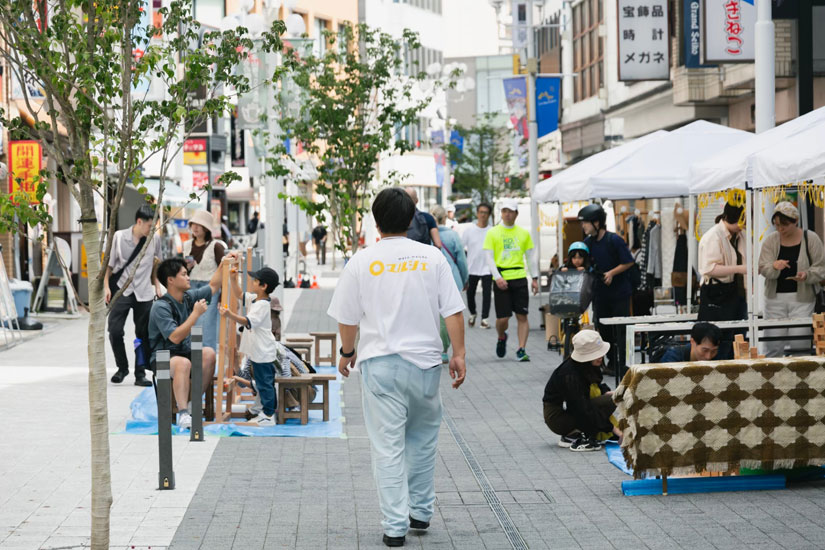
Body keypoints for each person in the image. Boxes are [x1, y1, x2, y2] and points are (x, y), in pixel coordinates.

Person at [328, 187, 466, 548]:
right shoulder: (431, 257)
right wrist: (459, 354)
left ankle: (394, 527)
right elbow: (452, 310)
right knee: (421, 440)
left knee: (387, 447)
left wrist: (347, 351)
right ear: (411, 219)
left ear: (376, 220)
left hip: (380, 364)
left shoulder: (361, 260)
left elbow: (346, 316)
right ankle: (420, 512)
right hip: (424, 364)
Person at [148, 254, 236, 429]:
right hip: (163, 356)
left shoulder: (187, 297)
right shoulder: (161, 307)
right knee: (183, 364)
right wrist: (195, 314)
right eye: (183, 274)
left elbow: (212, 286)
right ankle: (182, 414)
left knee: (209, 354)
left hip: (183, 351)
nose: (188, 277)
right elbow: (174, 337)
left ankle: (192, 403)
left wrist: (223, 264)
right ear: (170, 280)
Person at [758, 201, 825, 357]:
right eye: (776, 225)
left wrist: (807, 274)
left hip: (803, 299)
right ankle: (772, 375)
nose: (780, 229)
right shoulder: (770, 241)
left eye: (785, 225)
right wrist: (774, 266)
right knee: (773, 342)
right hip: (774, 299)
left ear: (795, 221)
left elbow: (821, 267)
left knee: (799, 342)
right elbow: (762, 267)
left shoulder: (811, 238)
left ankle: (800, 376)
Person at [105, 205, 163, 387]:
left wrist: (158, 285)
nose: (152, 230)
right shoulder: (119, 237)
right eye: (149, 226)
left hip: (144, 291)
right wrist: (106, 287)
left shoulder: (155, 239)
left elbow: (156, 265)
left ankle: (140, 373)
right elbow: (108, 265)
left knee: (142, 333)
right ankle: (122, 368)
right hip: (122, 289)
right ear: (139, 222)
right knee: (114, 331)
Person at [219, 266, 283, 426]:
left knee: (265, 384)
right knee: (262, 383)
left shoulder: (262, 305)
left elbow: (247, 321)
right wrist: (233, 279)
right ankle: (264, 412)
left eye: (255, 280)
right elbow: (239, 295)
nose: (252, 282)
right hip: (257, 352)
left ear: (264, 286)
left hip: (264, 352)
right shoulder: (255, 298)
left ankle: (269, 415)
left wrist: (229, 315)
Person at [542, 330, 622, 452]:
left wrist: (606, 392)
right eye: (596, 354)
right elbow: (582, 408)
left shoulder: (587, 365)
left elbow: (596, 384)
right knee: (595, 408)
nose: (601, 357)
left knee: (613, 398)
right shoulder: (570, 374)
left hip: (574, 408)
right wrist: (613, 429)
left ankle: (584, 431)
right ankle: (572, 434)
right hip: (557, 418)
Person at [577, 204, 634, 372]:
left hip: (619, 293)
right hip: (600, 295)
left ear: (596, 222)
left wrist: (612, 273)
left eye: (585, 222)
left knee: (621, 331)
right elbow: (584, 263)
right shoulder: (587, 243)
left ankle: (623, 364)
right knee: (604, 331)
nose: (583, 226)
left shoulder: (613, 240)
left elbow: (629, 261)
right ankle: (611, 363)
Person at [484, 198, 539, 361]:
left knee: (522, 316)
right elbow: (489, 258)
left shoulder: (523, 234)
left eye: (510, 211)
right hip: (501, 278)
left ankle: (521, 349)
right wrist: (497, 277)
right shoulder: (493, 232)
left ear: (516, 213)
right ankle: (501, 336)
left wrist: (534, 278)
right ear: (501, 213)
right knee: (503, 318)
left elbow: (530, 258)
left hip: (519, 277)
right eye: (504, 211)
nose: (507, 214)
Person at [697, 201, 747, 322]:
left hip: (737, 293)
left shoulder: (741, 235)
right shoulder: (713, 237)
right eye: (743, 222)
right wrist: (740, 269)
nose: (745, 225)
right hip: (716, 294)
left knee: (738, 335)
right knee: (720, 336)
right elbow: (709, 268)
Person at [431, 205, 469, 362]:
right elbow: (461, 260)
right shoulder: (453, 235)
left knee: (437, 316)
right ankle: (445, 349)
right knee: (451, 314)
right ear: (445, 218)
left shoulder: (427, 234)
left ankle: (439, 348)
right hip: (453, 278)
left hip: (433, 279)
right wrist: (465, 279)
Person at [183, 210, 225, 350]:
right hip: (191, 287)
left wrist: (222, 297)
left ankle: (207, 362)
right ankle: (194, 363)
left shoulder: (216, 246)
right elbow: (183, 272)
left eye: (199, 225)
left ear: (206, 228)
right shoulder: (187, 245)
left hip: (210, 288)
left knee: (206, 326)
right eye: (193, 224)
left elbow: (223, 272)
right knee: (192, 324)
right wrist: (187, 267)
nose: (195, 227)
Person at [462, 202, 493, 328]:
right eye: (481, 212)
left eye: (486, 213)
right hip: (472, 267)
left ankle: (485, 318)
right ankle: (473, 313)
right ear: (477, 213)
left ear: (489, 215)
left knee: (487, 295)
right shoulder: (469, 230)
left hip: (487, 268)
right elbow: (461, 247)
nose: (483, 215)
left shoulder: (492, 231)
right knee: (470, 294)